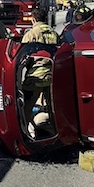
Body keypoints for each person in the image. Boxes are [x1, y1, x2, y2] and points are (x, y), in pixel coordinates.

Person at [20, 8, 60, 138]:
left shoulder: (31, 34)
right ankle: (56, 132)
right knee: (53, 107)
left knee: (26, 107)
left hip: (35, 77)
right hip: (52, 76)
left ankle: (24, 133)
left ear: (33, 19)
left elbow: (23, 56)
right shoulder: (54, 34)